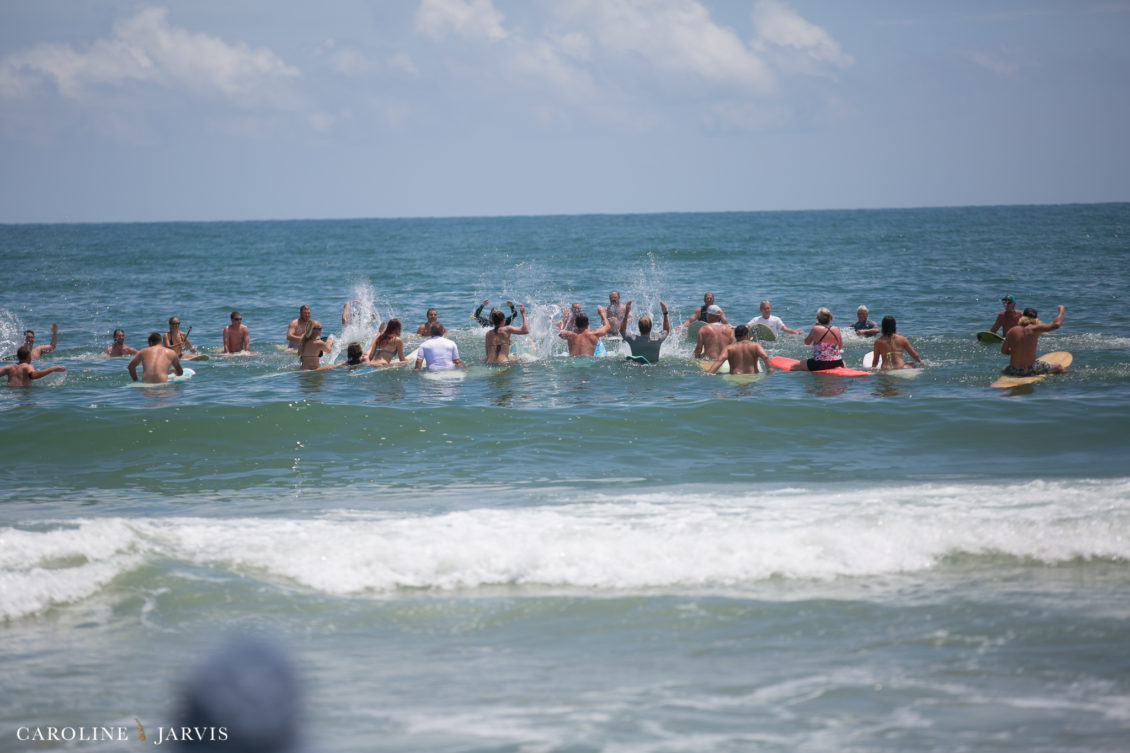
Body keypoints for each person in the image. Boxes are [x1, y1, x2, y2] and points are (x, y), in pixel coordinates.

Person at [1000, 305, 1067, 377]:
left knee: (1004, 369)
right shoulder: (1034, 328)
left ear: (1022, 318)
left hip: (1013, 370)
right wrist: (1061, 311)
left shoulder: (1012, 330)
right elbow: (1056, 325)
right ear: (1036, 320)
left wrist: (1018, 351)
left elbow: (1004, 351)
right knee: (1058, 366)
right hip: (1029, 370)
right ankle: (1070, 373)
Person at [708, 325, 773, 375]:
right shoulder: (755, 346)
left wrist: (709, 374)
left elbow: (719, 361)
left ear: (735, 336)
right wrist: (770, 370)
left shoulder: (729, 348)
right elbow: (765, 357)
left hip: (735, 377)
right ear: (747, 335)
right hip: (752, 376)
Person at [1, 346, 66, 386]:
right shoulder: (27, 366)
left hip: (11, 394)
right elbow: (34, 375)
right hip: (23, 393)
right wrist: (53, 368)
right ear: (28, 357)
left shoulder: (9, 367)